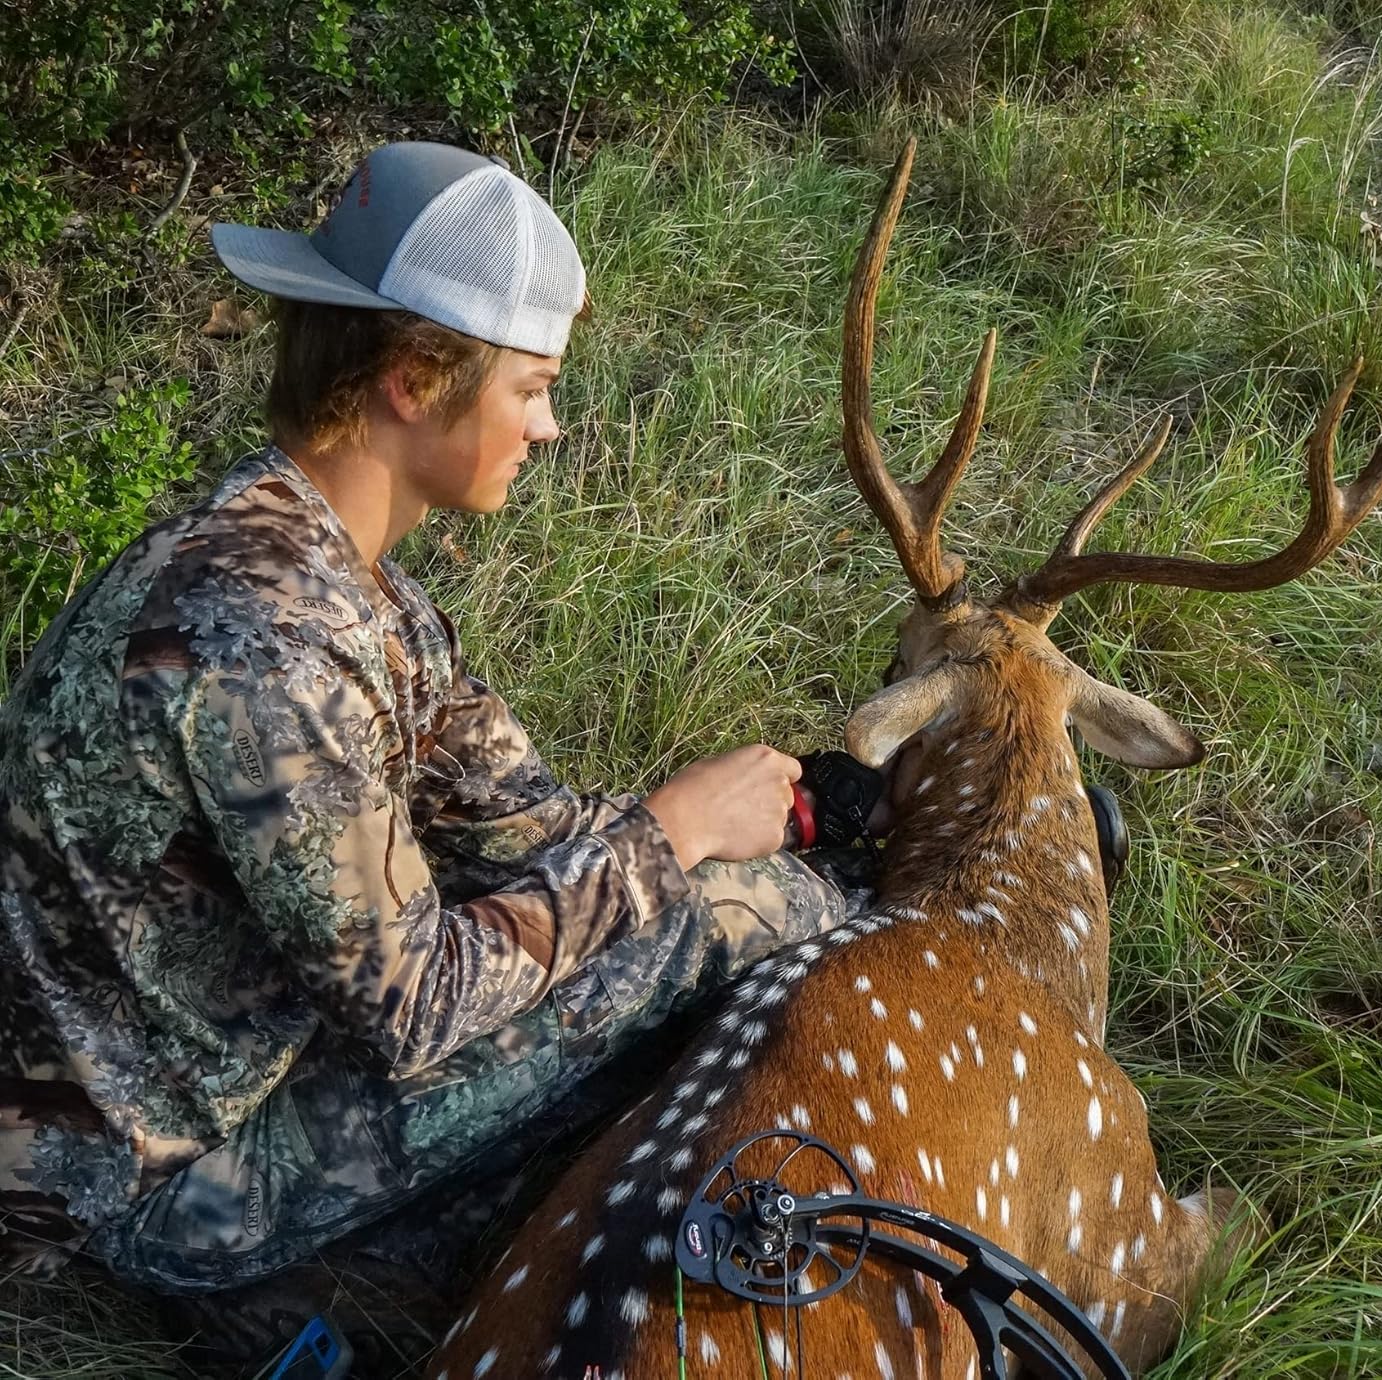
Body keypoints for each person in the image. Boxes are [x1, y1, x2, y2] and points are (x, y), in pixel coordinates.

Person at [0, 140, 1128, 1374]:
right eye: (532, 388)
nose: (552, 424)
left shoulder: (320, 573)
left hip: (235, 1055)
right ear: (418, 380)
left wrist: (799, 812)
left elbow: (519, 822)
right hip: (150, 1178)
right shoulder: (263, 652)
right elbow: (414, 1009)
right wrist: (675, 840)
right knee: (711, 928)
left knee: (715, 904)